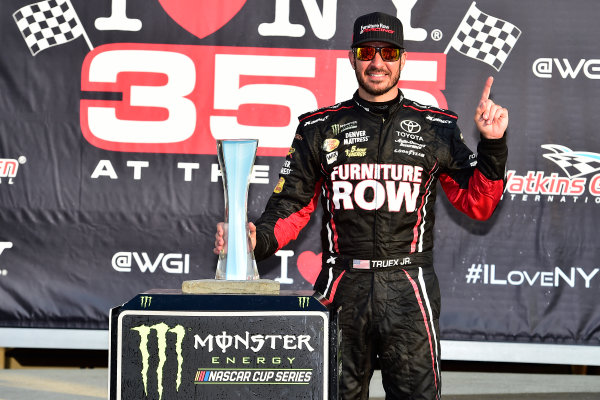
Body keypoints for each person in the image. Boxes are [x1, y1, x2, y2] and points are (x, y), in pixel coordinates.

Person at [214, 11, 508, 400]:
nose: (377, 62)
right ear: (352, 57)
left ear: (403, 59)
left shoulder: (436, 126)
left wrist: (492, 145)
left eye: (388, 52)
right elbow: (292, 205)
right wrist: (255, 239)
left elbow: (479, 204)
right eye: (367, 51)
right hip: (341, 286)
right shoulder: (319, 127)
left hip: (409, 288)